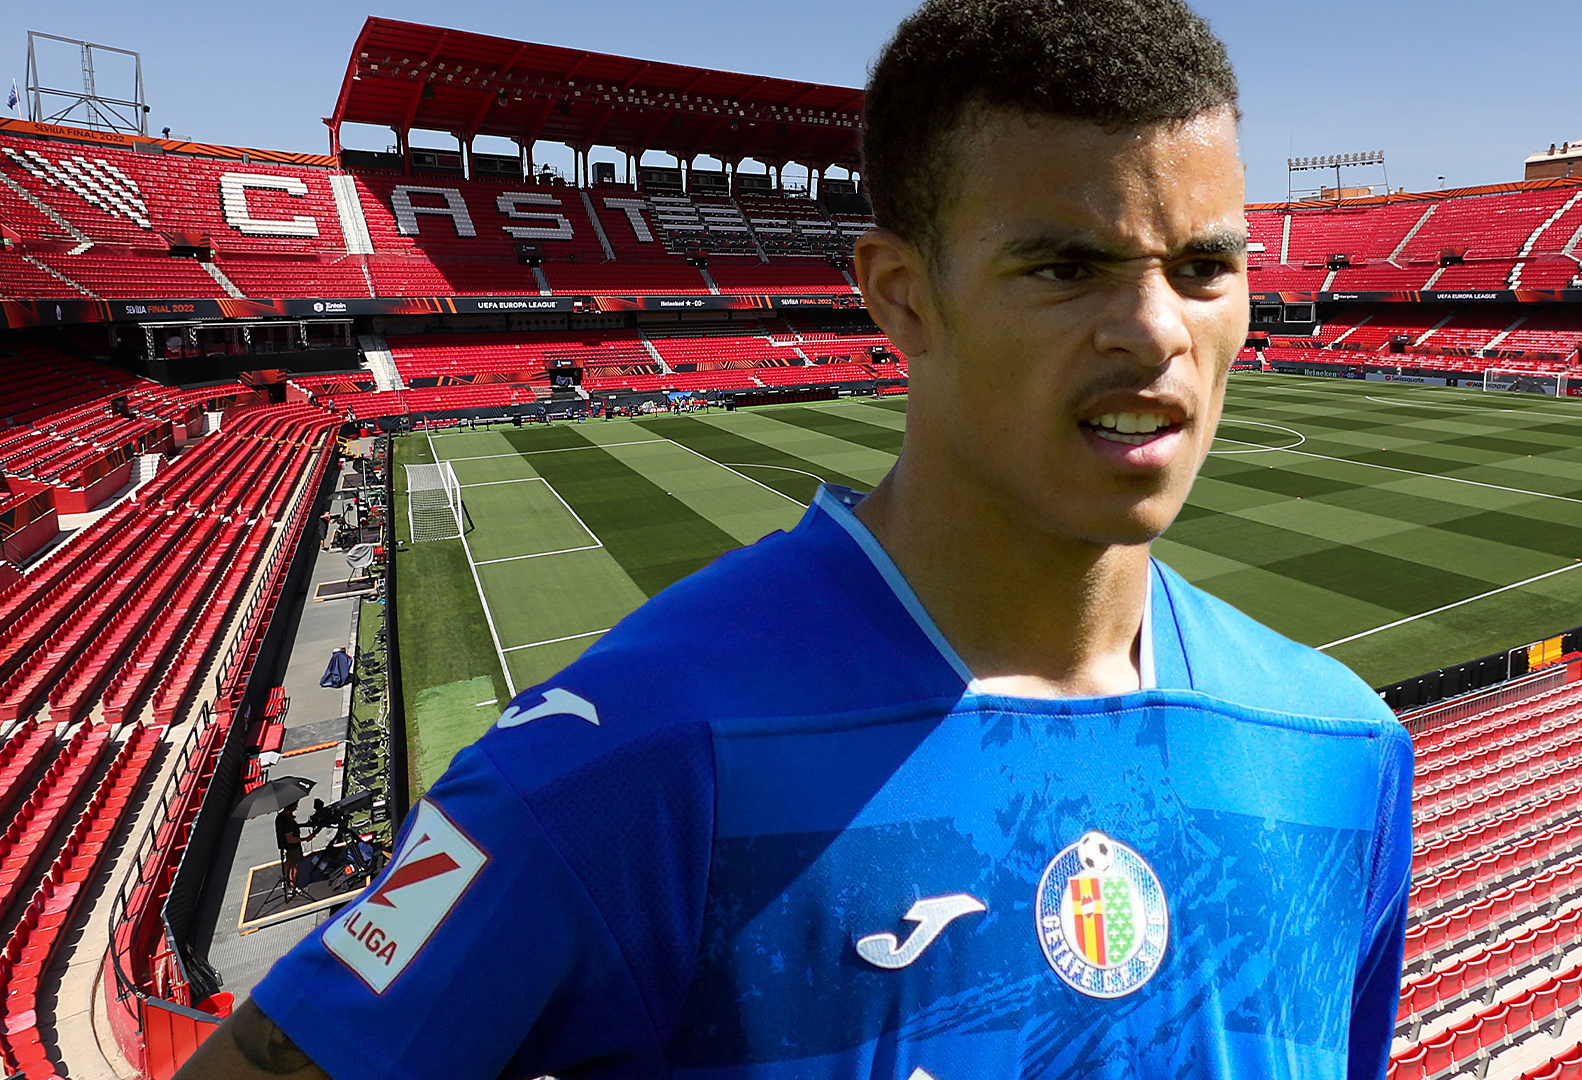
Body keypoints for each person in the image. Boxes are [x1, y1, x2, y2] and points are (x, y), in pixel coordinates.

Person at [180, 1, 1412, 1078]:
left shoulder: (1343, 750)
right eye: (1064, 268)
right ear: (900, 295)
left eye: (1203, 267)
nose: (1155, 330)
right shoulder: (629, 766)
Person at [272, 805, 305, 896]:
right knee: (295, 865)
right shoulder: (288, 822)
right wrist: (306, 838)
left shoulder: (280, 817)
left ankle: (285, 878)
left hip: (284, 846)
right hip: (293, 847)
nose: (297, 807)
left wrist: (303, 825)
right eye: (295, 805)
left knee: (288, 860)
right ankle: (293, 887)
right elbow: (290, 839)